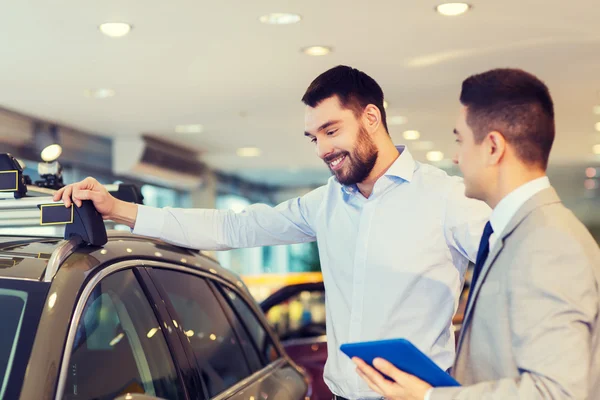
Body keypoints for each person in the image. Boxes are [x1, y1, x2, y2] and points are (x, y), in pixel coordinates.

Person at [54, 65, 490, 399]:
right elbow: (234, 225)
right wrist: (121, 210)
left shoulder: (447, 198)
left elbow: (514, 275)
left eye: (331, 130)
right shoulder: (326, 203)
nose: (322, 149)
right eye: (313, 137)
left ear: (371, 117)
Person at [353, 68, 600, 400]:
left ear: (493, 147)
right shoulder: (520, 232)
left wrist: (428, 397)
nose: (456, 157)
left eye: (461, 140)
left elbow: (557, 392)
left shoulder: (548, 243)